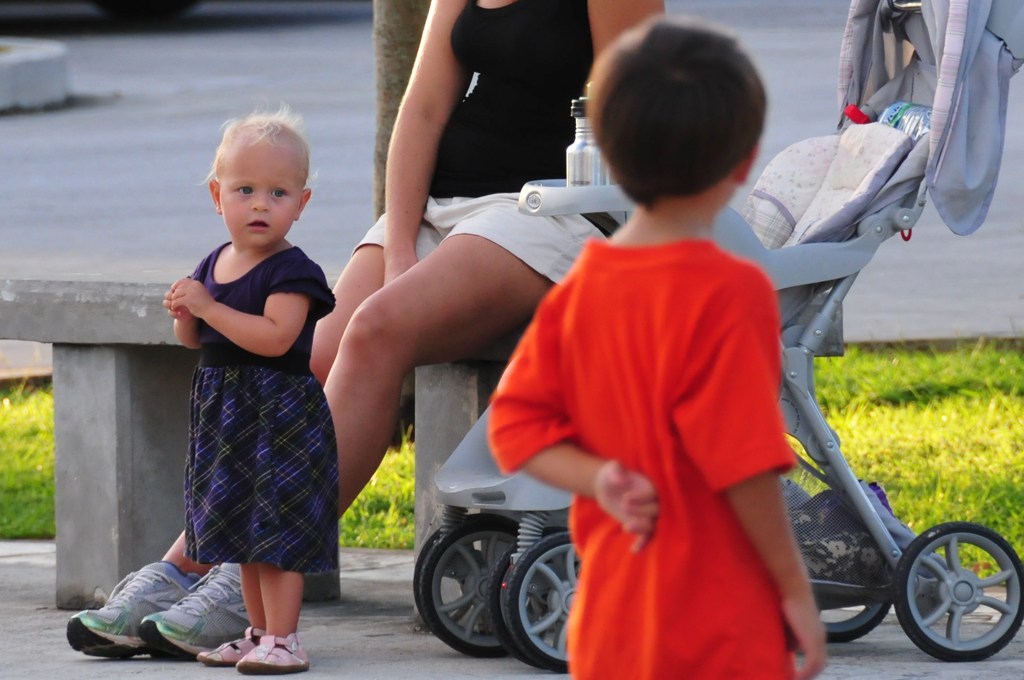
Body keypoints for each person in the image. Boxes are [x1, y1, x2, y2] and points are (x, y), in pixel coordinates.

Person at [65, 0, 664, 659]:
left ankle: (255, 578)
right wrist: (402, 242)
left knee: (377, 329)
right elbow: (424, 111)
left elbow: (642, 107)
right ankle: (188, 563)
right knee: (302, 356)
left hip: (552, 212)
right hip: (443, 206)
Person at [487, 16, 827, 680]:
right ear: (744, 163)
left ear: (605, 151)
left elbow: (514, 428)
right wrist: (793, 587)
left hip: (610, 628)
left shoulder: (579, 290)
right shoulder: (732, 291)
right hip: (718, 629)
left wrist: (597, 479)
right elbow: (744, 468)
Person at [167, 106, 337, 675]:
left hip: (278, 417)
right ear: (218, 196)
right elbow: (195, 341)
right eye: (245, 190)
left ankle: (285, 639)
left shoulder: (293, 271)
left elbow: (275, 337)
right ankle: (259, 632)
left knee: (277, 528)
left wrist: (208, 306)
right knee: (241, 528)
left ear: (301, 203)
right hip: (227, 415)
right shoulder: (214, 263)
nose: (261, 204)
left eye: (278, 193)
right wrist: (186, 313)